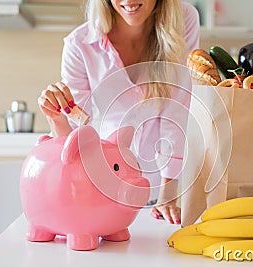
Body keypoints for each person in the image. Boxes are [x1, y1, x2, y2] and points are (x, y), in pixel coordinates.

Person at [37, 0, 200, 224]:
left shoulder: (183, 19)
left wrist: (168, 195)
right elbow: (75, 134)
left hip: (164, 188)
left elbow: (177, 108)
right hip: (102, 190)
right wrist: (56, 119)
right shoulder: (80, 45)